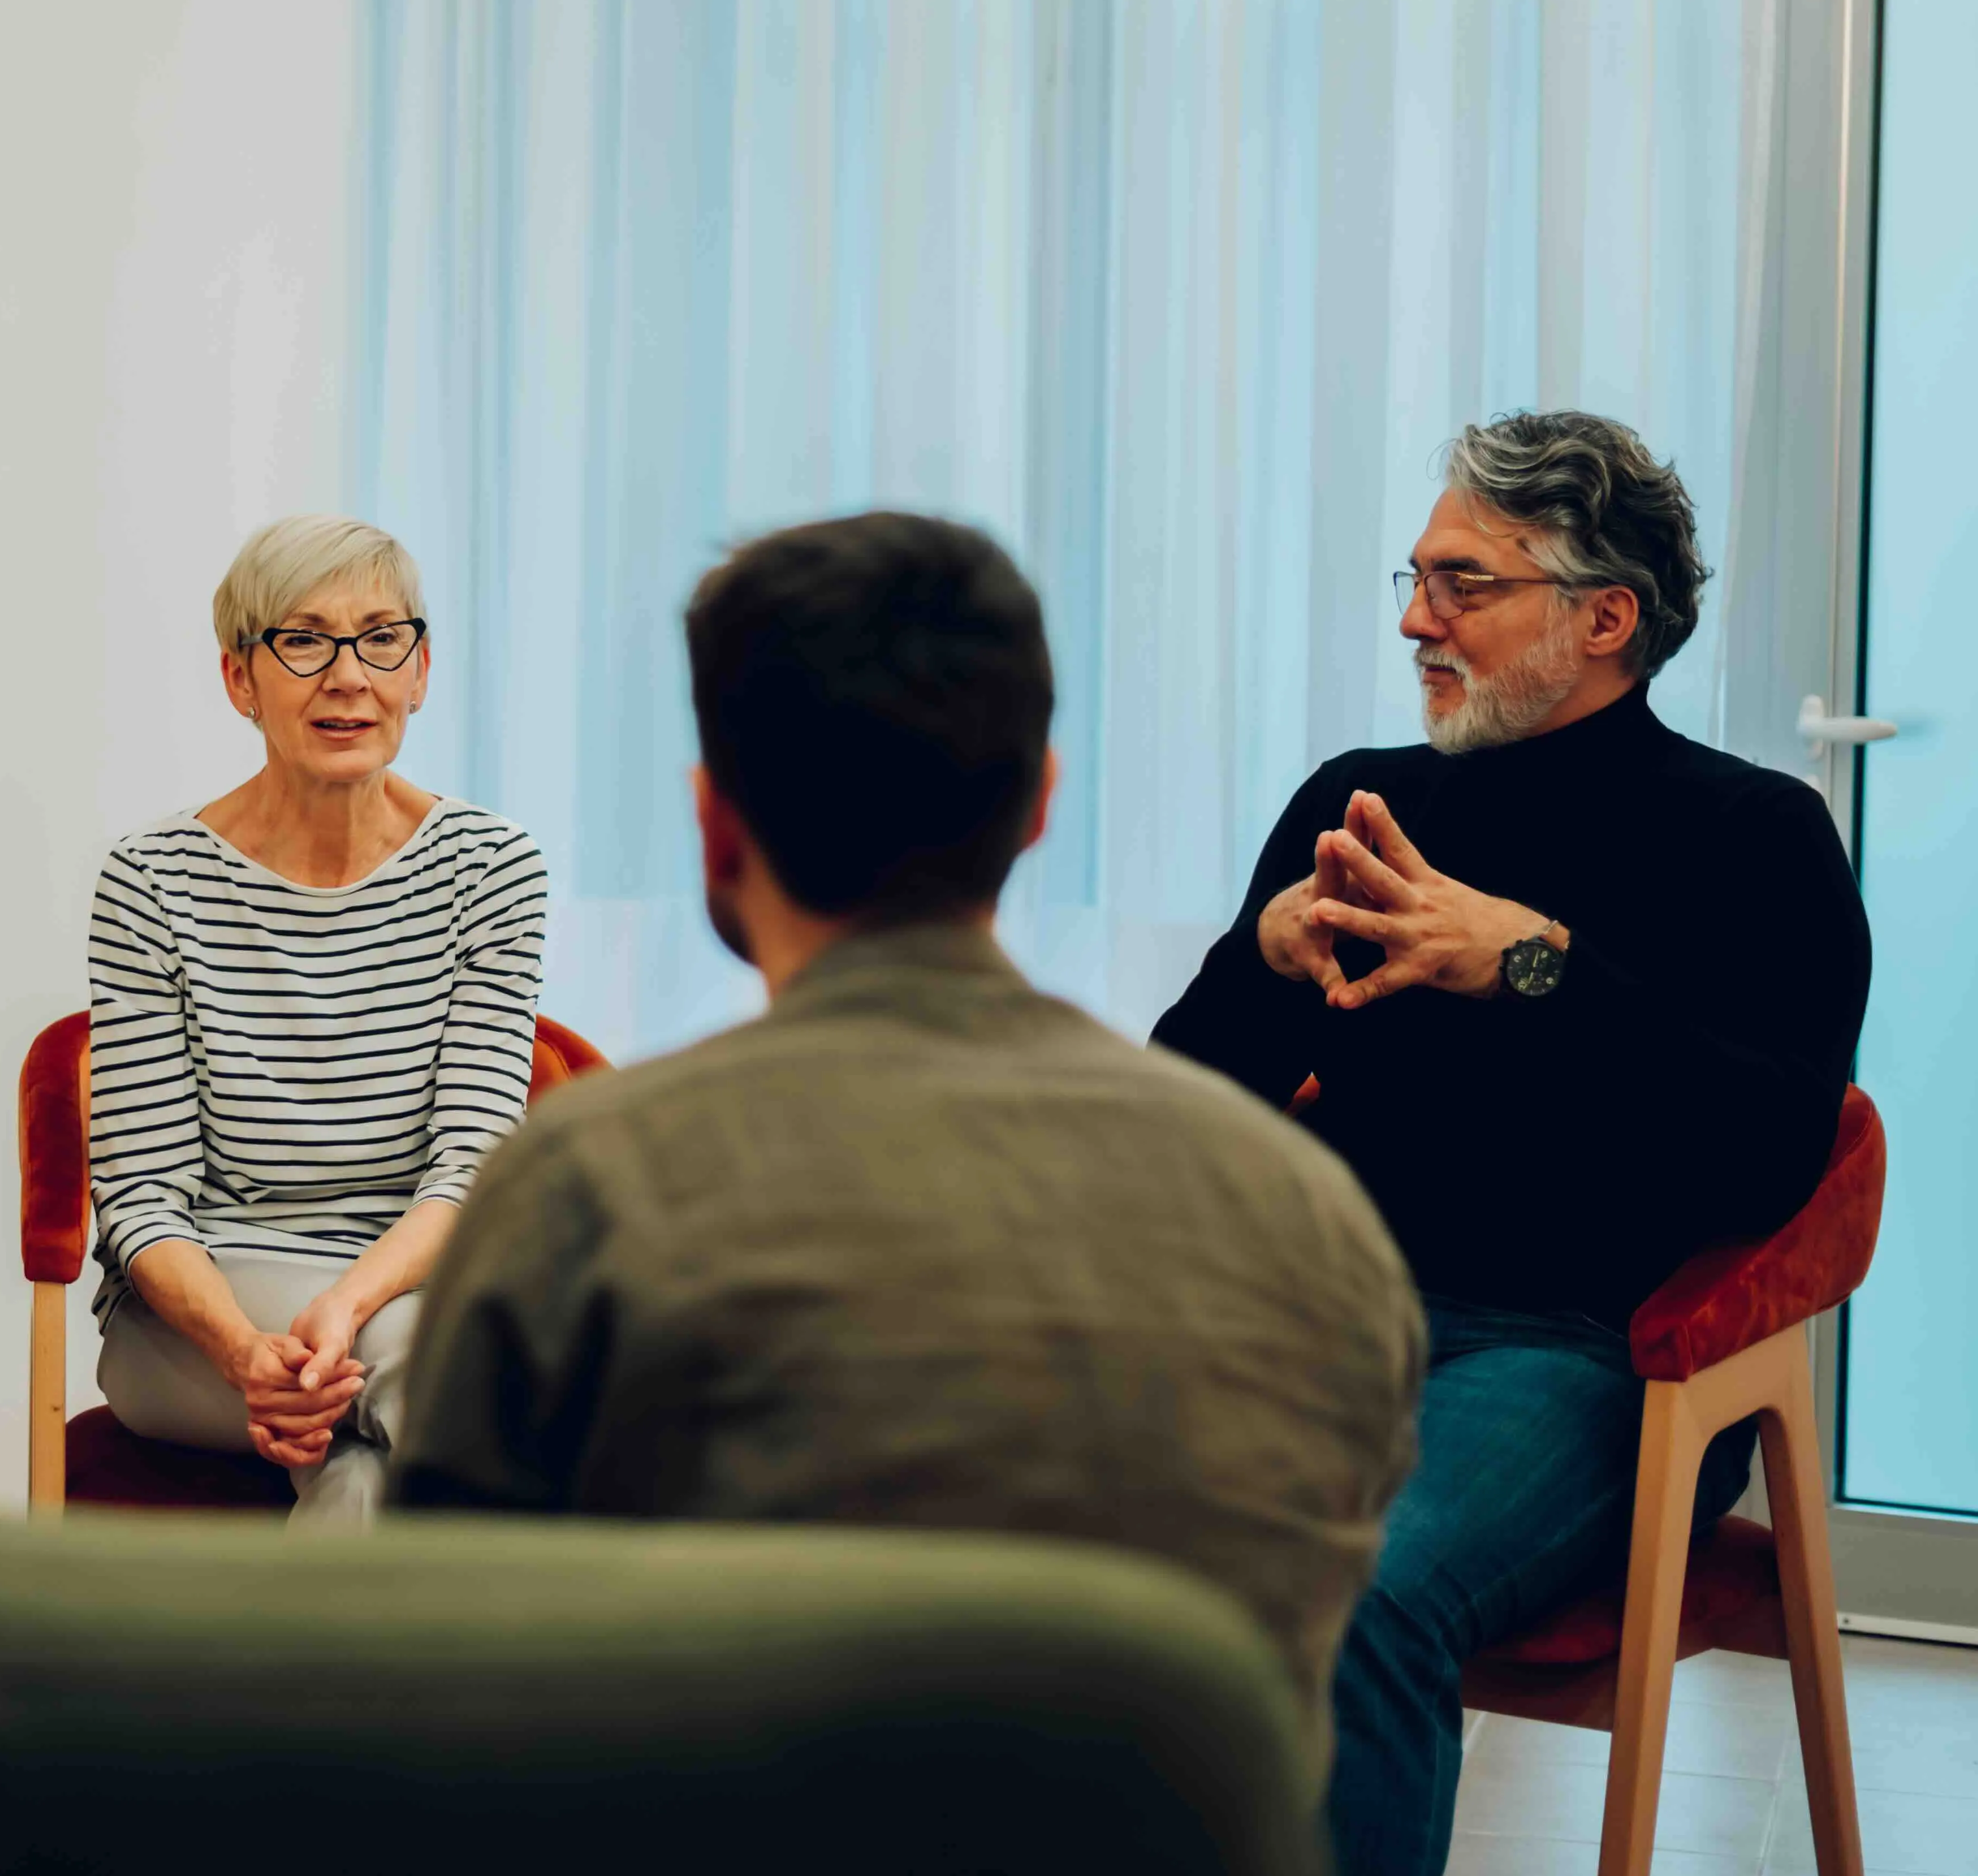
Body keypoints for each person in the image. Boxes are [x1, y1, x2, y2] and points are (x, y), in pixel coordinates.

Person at [390, 509, 1424, 1731]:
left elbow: (447, 1674)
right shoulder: (1301, 1213)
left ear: (714, 824)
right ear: (1038, 801)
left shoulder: (582, 1187)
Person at [1152, 411, 1872, 1876]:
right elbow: (1183, 1111)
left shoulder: (1753, 836)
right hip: (1315, 1318)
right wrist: (1261, 962)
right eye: (1411, 576)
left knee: (1359, 1600)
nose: (1413, 617)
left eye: (1460, 582)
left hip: (1569, 1348)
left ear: (1602, 616)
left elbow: (1768, 1153)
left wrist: (1528, 967)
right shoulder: (1358, 797)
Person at [86, 514, 549, 1524]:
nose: (348, 675)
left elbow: (473, 1165)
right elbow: (140, 1197)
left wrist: (343, 1307)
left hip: (402, 1298)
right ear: (239, 679)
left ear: (419, 670)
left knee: (362, 1465)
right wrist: (250, 1353)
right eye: (303, 639)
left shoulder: (490, 869)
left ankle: (289, 1682)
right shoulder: (153, 881)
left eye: (381, 638)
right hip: (191, 1322)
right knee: (454, 1390)